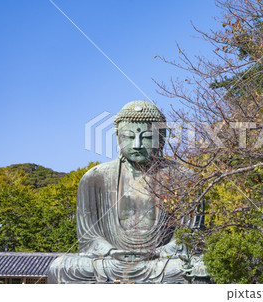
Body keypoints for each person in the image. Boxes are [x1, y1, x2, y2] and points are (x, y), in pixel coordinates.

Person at [47, 101, 196, 284]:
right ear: (118, 138)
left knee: (196, 268)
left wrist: (161, 252)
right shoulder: (95, 177)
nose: (137, 144)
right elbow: (89, 238)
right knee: (61, 267)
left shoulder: (184, 178)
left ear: (162, 138)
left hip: (160, 263)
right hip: (111, 262)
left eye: (148, 137)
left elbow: (190, 237)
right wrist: (110, 251)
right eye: (128, 136)